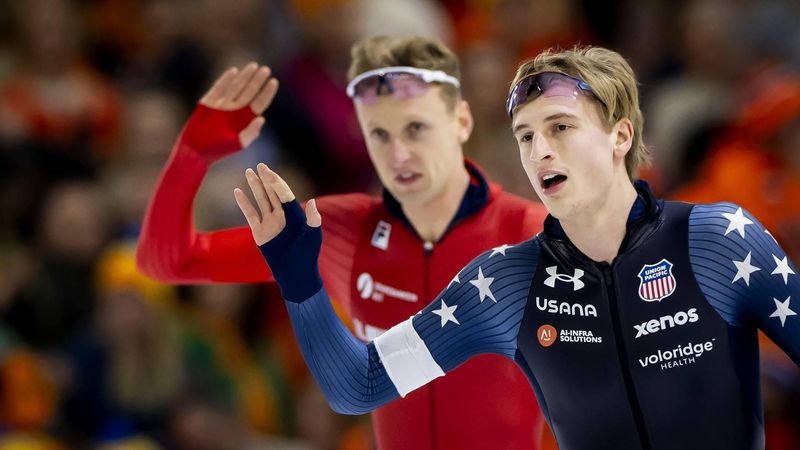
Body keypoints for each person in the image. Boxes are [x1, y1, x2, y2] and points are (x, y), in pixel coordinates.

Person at [240, 45, 800, 450]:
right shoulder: (506, 284)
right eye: (526, 136)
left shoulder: (716, 240)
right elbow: (357, 386)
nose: (540, 151)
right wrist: (299, 279)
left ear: (620, 135)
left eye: (560, 127)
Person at [136, 36, 549, 449]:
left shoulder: (531, 232)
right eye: (379, 134)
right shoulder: (340, 231)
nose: (398, 154)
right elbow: (169, 263)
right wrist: (192, 155)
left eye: (416, 128)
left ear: (461, 121)